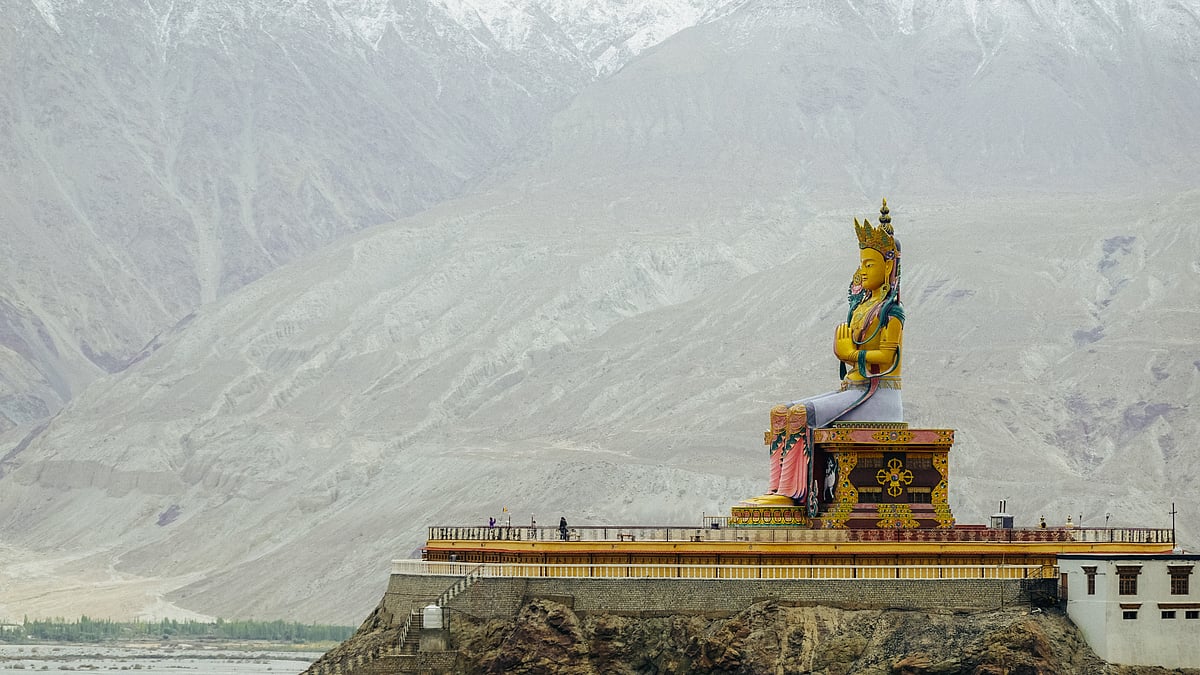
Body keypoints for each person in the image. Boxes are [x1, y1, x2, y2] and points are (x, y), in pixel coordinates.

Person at [745, 199, 905, 513]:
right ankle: (777, 488)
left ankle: (794, 495)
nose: (863, 270)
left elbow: (887, 360)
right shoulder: (860, 308)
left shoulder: (892, 312)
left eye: (870, 264)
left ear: (888, 266)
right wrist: (845, 356)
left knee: (802, 414)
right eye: (862, 264)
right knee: (781, 412)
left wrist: (852, 356)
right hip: (854, 391)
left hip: (878, 398)